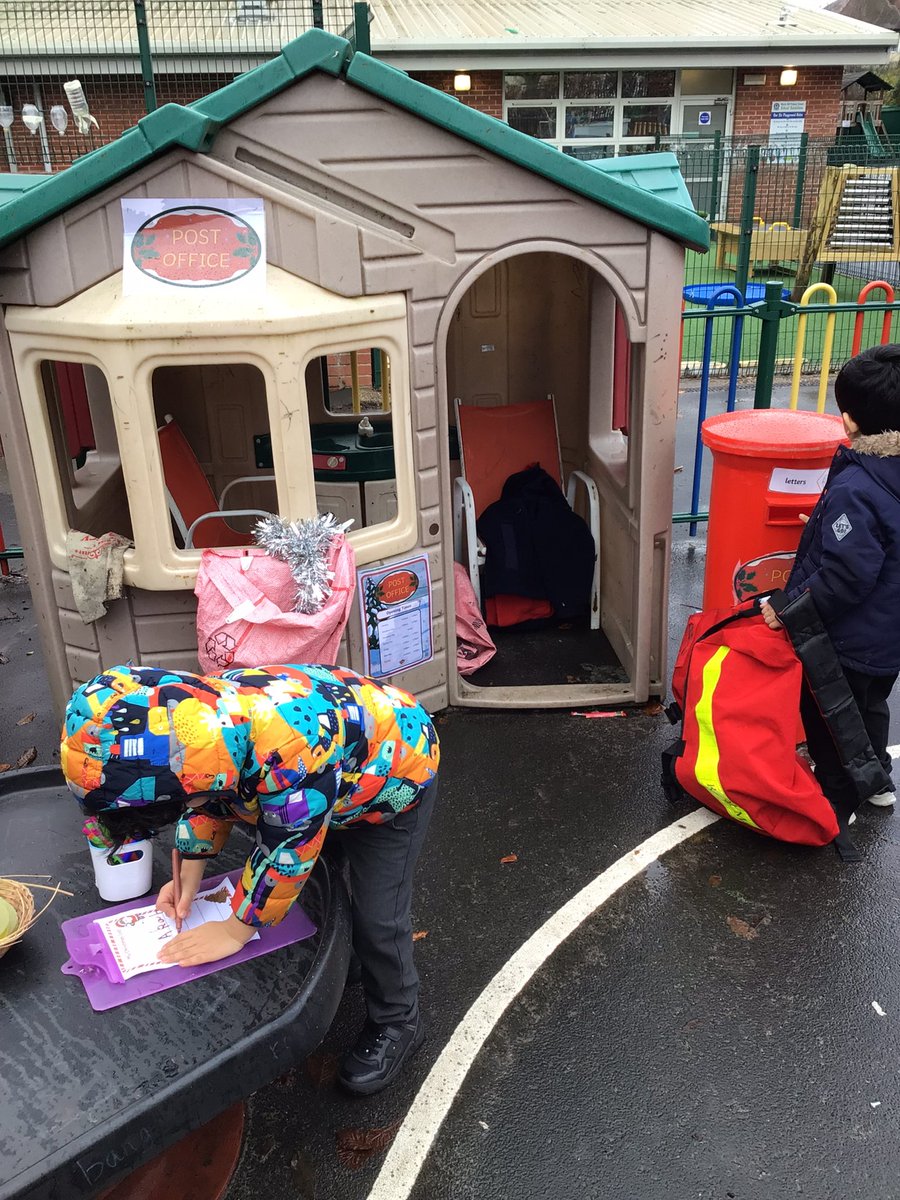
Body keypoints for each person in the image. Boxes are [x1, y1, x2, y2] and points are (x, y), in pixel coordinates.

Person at [61, 662, 440, 1095]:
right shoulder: (205, 734)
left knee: (379, 916)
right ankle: (352, 960)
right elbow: (209, 801)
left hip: (396, 777)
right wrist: (189, 870)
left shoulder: (288, 750)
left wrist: (236, 929)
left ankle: (399, 1019)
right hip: (331, 778)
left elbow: (287, 853)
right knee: (327, 884)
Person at [762, 344, 900, 823]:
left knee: (831, 715)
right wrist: (830, 526)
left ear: (848, 421)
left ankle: (837, 801)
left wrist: (787, 607)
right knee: (871, 707)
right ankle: (878, 780)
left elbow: (847, 574)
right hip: (887, 637)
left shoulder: (857, 486)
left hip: (848, 639)